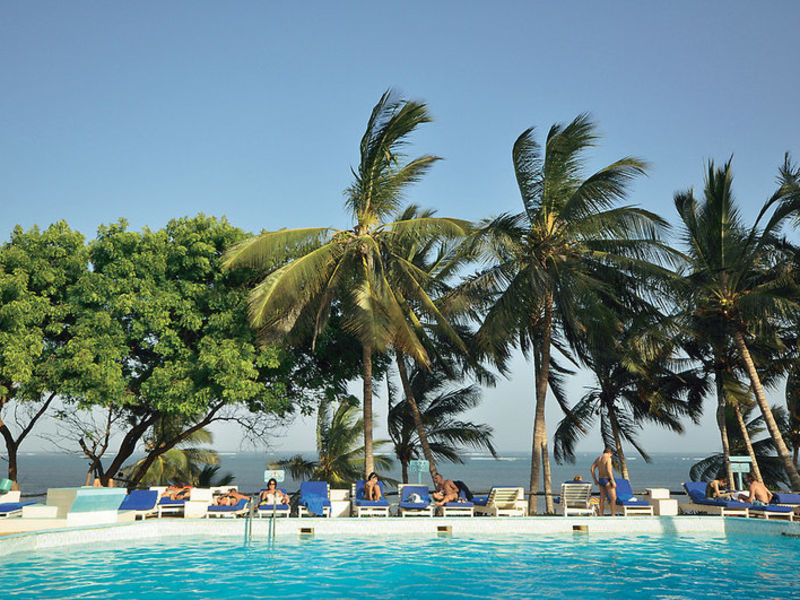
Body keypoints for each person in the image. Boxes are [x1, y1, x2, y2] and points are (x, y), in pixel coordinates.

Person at [591, 446, 617, 516]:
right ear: (610, 453)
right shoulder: (608, 458)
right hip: (607, 479)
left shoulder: (599, 458)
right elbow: (609, 470)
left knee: (602, 498)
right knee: (613, 498)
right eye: (611, 454)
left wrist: (595, 479)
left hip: (601, 479)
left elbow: (592, 468)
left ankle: (601, 514)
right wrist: (612, 480)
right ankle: (613, 515)